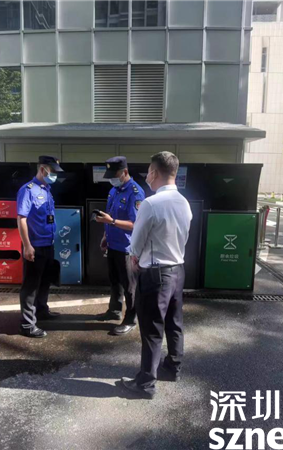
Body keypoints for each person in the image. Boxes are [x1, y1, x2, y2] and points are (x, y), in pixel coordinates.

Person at [119, 151, 192, 399]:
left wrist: (134, 259)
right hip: (177, 270)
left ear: (155, 173)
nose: (147, 176)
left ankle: (145, 384)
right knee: (174, 323)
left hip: (155, 274)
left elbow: (136, 243)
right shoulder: (184, 202)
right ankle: (172, 368)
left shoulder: (151, 203)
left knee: (151, 330)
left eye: (149, 171)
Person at [94, 156, 145, 336]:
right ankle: (114, 310)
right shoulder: (114, 190)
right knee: (115, 281)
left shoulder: (135, 193)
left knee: (130, 286)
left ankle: (130, 319)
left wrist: (112, 222)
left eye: (114, 175)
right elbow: (109, 215)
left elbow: (135, 224)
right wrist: (105, 236)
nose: (111, 179)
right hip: (113, 244)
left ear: (125, 172)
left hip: (127, 248)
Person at [16, 156, 64, 338]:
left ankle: (42, 310)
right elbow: (22, 219)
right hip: (35, 246)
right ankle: (27, 324)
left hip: (48, 244)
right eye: (52, 172)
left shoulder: (46, 189)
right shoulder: (28, 190)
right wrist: (27, 246)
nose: (55, 176)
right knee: (30, 286)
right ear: (43, 169)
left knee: (45, 281)